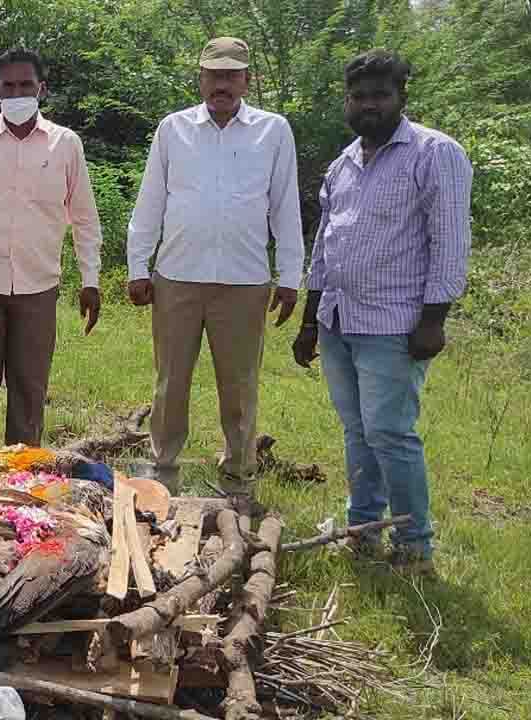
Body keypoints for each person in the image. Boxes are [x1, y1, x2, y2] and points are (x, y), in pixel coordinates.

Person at [293, 50, 472, 575]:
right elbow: (324, 246)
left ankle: (415, 547)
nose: (368, 105)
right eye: (358, 97)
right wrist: (309, 321)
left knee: (391, 434)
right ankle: (364, 528)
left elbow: (450, 242)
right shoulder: (344, 162)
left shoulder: (434, 154)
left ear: (401, 98)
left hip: (394, 325)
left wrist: (434, 319)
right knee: (357, 431)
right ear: (346, 102)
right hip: (339, 319)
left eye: (380, 95)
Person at [126, 37, 304, 495]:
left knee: (240, 385)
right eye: (214, 74)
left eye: (231, 75)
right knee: (170, 381)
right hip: (177, 276)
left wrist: (289, 277)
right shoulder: (174, 129)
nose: (222, 84)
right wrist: (137, 267)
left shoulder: (274, 131)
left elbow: (285, 207)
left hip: (244, 281)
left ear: (247, 79)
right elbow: (150, 202)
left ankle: (239, 476)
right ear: (201, 78)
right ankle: (163, 469)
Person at [0, 47, 103, 451]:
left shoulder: (65, 144)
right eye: (8, 86)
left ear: (41, 89)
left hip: (38, 287)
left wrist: (91, 279)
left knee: (29, 391)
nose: (17, 93)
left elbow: (83, 217)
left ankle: (18, 486)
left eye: (25, 85)